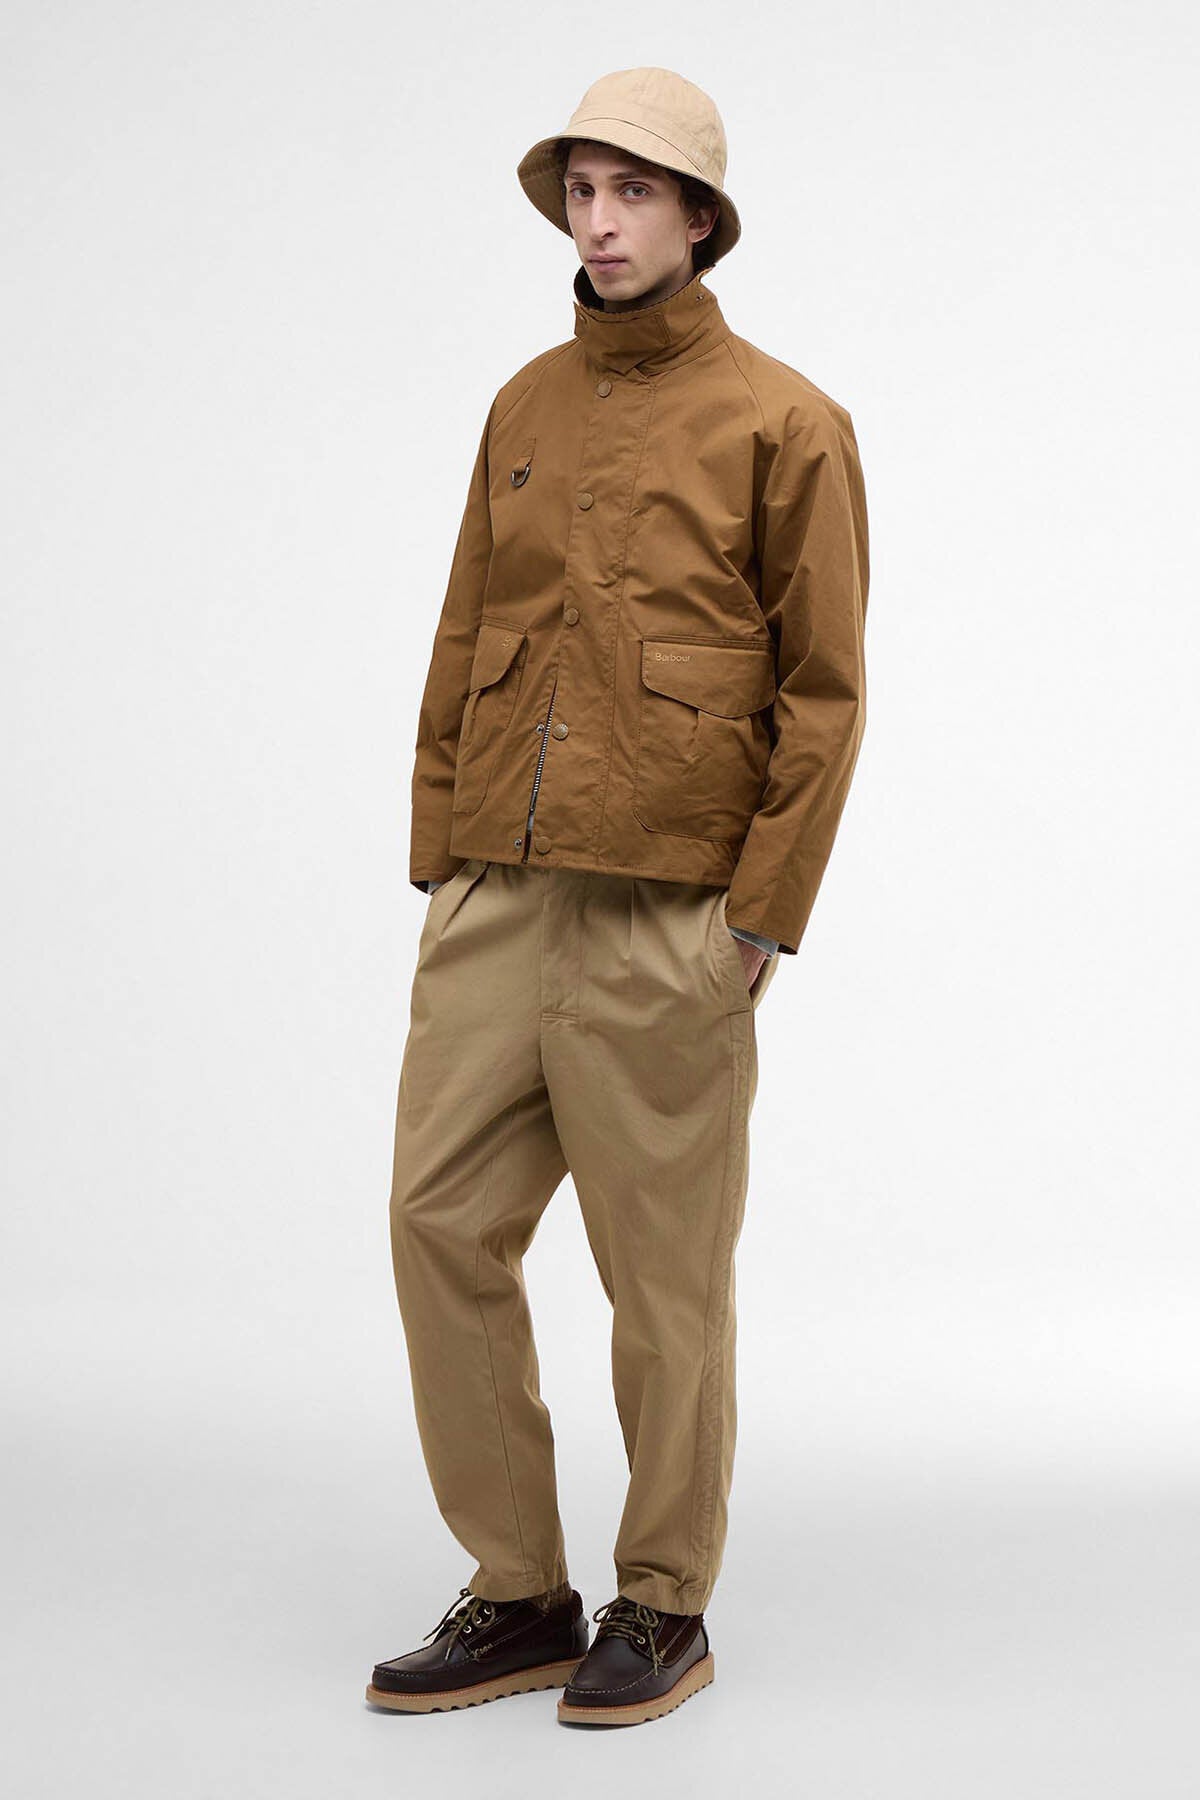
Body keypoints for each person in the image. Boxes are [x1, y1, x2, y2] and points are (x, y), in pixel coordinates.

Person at [366, 65, 870, 1728]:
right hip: (499, 895)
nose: (600, 219)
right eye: (582, 190)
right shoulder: (522, 404)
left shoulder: (787, 421)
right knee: (437, 1222)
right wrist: (440, 851)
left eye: (634, 191)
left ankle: (663, 1600)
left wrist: (761, 916)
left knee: (662, 1282)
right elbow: (462, 627)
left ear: (700, 217)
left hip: (673, 908)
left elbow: (824, 694)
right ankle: (519, 1589)